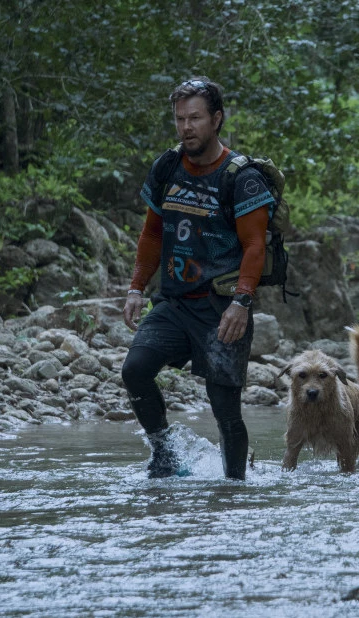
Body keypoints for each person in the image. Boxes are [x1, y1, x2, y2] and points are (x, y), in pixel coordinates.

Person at [121, 77, 273, 480]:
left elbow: (255, 246)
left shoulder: (243, 178)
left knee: (225, 410)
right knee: (135, 370)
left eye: (195, 118)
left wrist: (242, 301)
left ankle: (234, 488)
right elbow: (152, 233)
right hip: (173, 303)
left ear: (216, 119)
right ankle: (164, 454)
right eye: (179, 119)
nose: (186, 127)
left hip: (222, 308)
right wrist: (136, 287)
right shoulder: (167, 166)